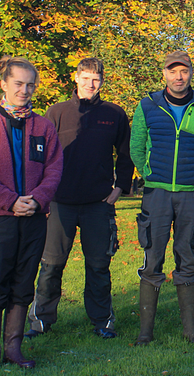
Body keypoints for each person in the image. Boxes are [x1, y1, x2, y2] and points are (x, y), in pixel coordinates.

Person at [26, 58, 133, 339]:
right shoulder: (57, 112)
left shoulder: (114, 114)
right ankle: (41, 320)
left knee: (99, 265)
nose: (90, 84)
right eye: (85, 78)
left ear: (102, 81)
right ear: (76, 78)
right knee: (51, 264)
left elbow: (125, 154)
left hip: (99, 203)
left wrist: (119, 188)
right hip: (60, 202)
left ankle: (102, 321)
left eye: (96, 79)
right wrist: (42, 195)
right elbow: (41, 157)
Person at [0, 56, 63, 373]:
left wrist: (37, 199)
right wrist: (11, 202)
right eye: (18, 83)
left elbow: (54, 169)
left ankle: (14, 347)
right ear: (4, 85)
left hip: (35, 217)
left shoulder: (44, 127)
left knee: (24, 283)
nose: (24, 90)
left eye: (30, 84)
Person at [130, 51, 194, 345]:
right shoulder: (147, 105)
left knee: (188, 257)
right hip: (156, 193)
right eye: (172, 71)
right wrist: (146, 171)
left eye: (183, 71)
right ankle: (146, 332)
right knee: (152, 256)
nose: (178, 77)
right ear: (164, 74)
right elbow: (137, 143)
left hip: (190, 195)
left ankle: (190, 329)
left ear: (191, 73)